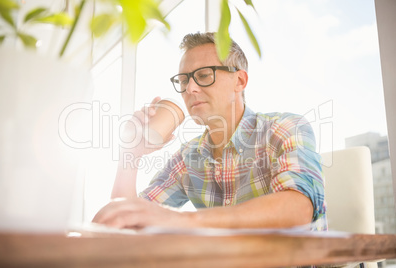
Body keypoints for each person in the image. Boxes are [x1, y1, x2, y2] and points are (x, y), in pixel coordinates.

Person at [93, 32, 327, 231]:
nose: (190, 89)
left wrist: (184, 221)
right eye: (183, 81)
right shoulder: (188, 157)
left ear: (240, 81)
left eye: (204, 75)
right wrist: (131, 154)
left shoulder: (285, 128)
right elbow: (127, 221)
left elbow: (298, 210)